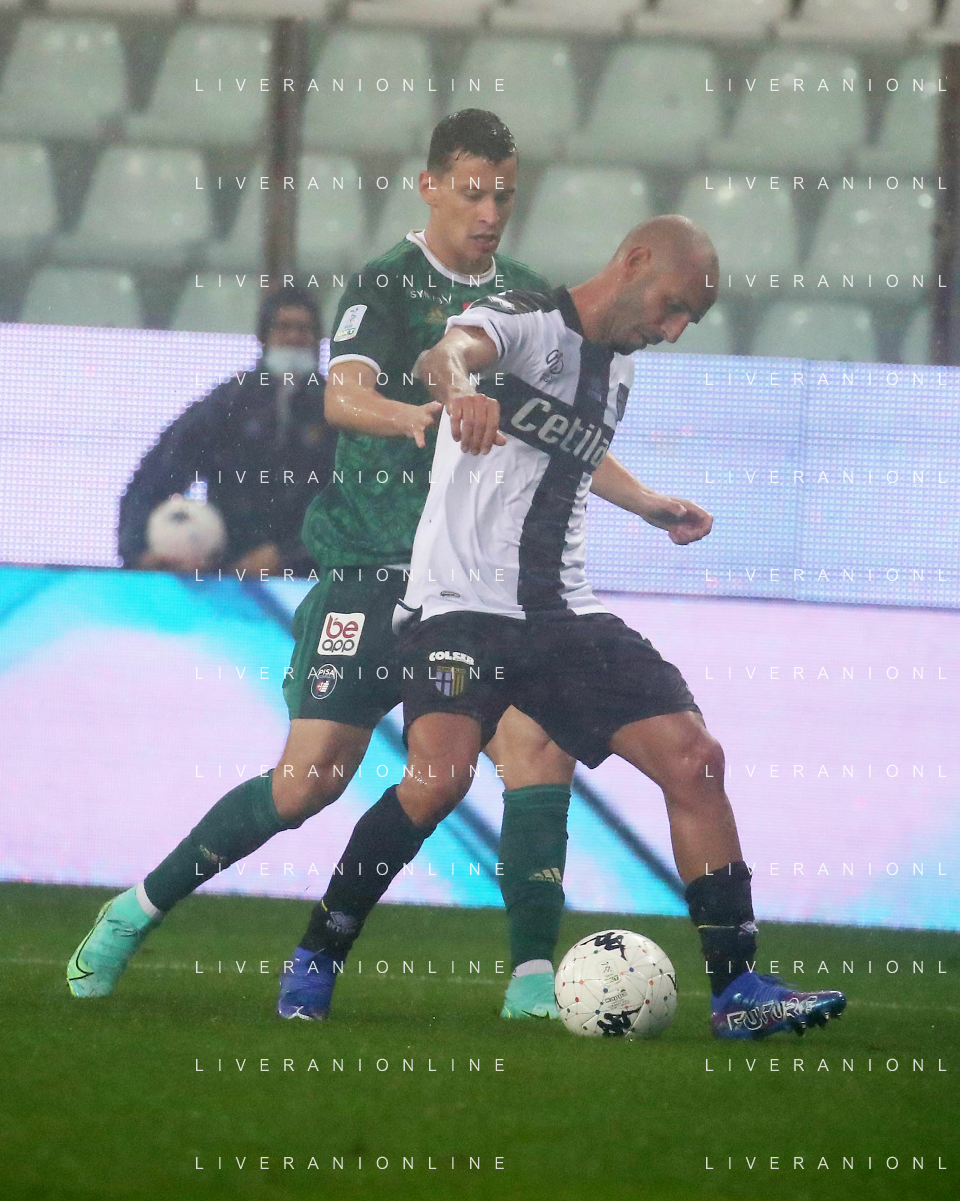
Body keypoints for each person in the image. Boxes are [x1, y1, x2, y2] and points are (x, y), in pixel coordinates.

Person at [67, 111, 701, 1021]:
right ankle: (137, 908)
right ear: (431, 187)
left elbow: (565, 435)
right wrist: (415, 416)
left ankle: (530, 979)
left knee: (536, 751)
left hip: (482, 585)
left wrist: (645, 501)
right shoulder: (386, 283)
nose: (489, 212)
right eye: (472, 192)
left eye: (504, 195)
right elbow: (342, 392)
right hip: (373, 563)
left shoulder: (531, 300)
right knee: (308, 782)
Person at [288, 215, 848, 1040]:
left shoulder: (618, 370)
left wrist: (648, 503)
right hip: (461, 604)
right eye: (671, 306)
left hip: (560, 613)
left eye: (689, 319)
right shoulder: (524, 320)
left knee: (695, 759)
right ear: (635, 260)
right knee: (438, 779)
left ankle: (738, 990)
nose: (673, 330)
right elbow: (444, 355)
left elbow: (572, 452)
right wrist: (460, 389)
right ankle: (319, 950)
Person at [118, 286, 332, 576]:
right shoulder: (228, 404)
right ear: (264, 336)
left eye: (303, 329)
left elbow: (361, 506)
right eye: (283, 327)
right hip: (226, 582)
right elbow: (155, 476)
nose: (294, 337)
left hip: (314, 581)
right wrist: (141, 552)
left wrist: (288, 556)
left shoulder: (338, 411)